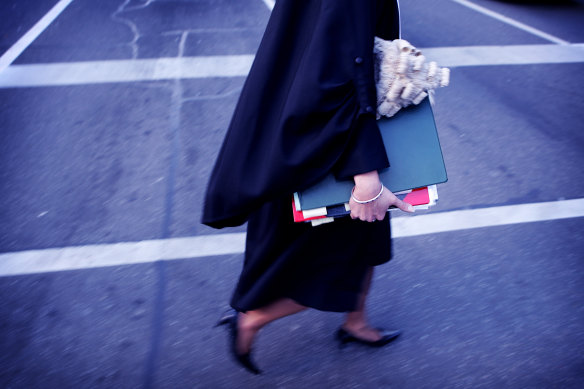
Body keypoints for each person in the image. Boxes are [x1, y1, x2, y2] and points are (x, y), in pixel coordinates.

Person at [202, 0, 412, 375]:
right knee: (332, 255)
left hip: (303, 122)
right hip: (331, 140)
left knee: (366, 238)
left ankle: (356, 322)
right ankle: (250, 319)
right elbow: (342, 65)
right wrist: (365, 175)